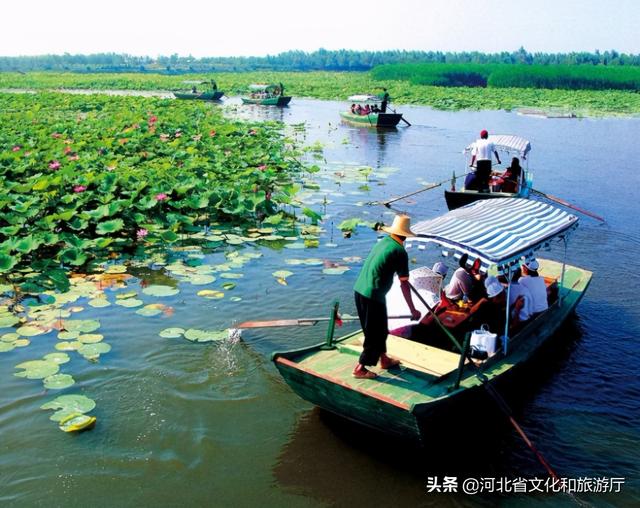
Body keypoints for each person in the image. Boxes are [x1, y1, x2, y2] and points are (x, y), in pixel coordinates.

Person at [353, 215, 421, 379]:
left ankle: (384, 359)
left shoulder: (384, 241)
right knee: (374, 334)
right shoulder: (400, 251)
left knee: (380, 329)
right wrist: (413, 309)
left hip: (359, 290)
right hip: (373, 295)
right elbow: (404, 284)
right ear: (405, 235)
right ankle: (360, 368)